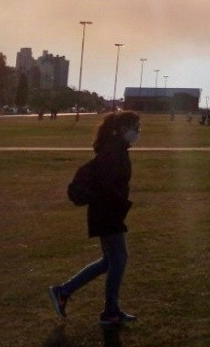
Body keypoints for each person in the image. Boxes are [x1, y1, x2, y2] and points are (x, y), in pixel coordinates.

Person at [48, 111, 141, 326]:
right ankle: (110, 312)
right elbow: (107, 185)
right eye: (135, 128)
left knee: (110, 261)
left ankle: (63, 291)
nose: (138, 133)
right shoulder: (113, 152)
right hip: (107, 212)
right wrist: (118, 206)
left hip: (107, 211)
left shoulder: (115, 149)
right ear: (123, 130)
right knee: (119, 259)